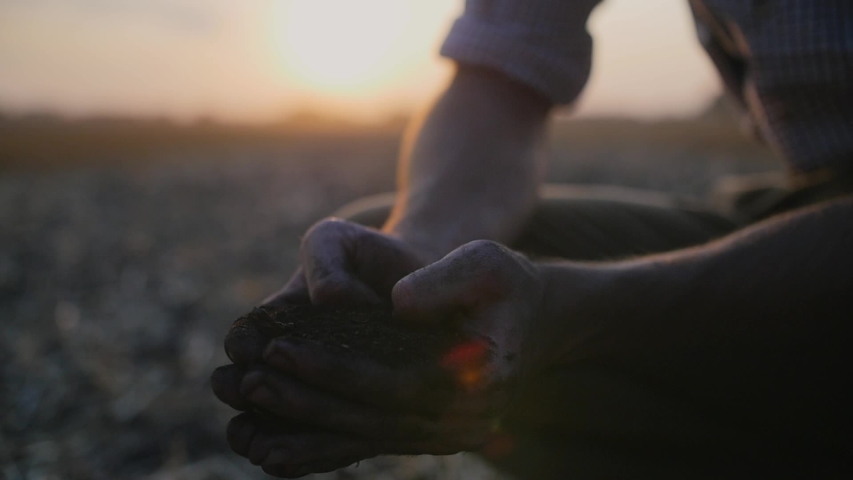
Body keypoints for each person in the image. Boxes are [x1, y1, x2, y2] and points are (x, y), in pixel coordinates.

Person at [212, 1, 853, 478]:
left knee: (525, 337)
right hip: (806, 197)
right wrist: (417, 254)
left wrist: (576, 312)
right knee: (418, 266)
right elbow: (501, 69)